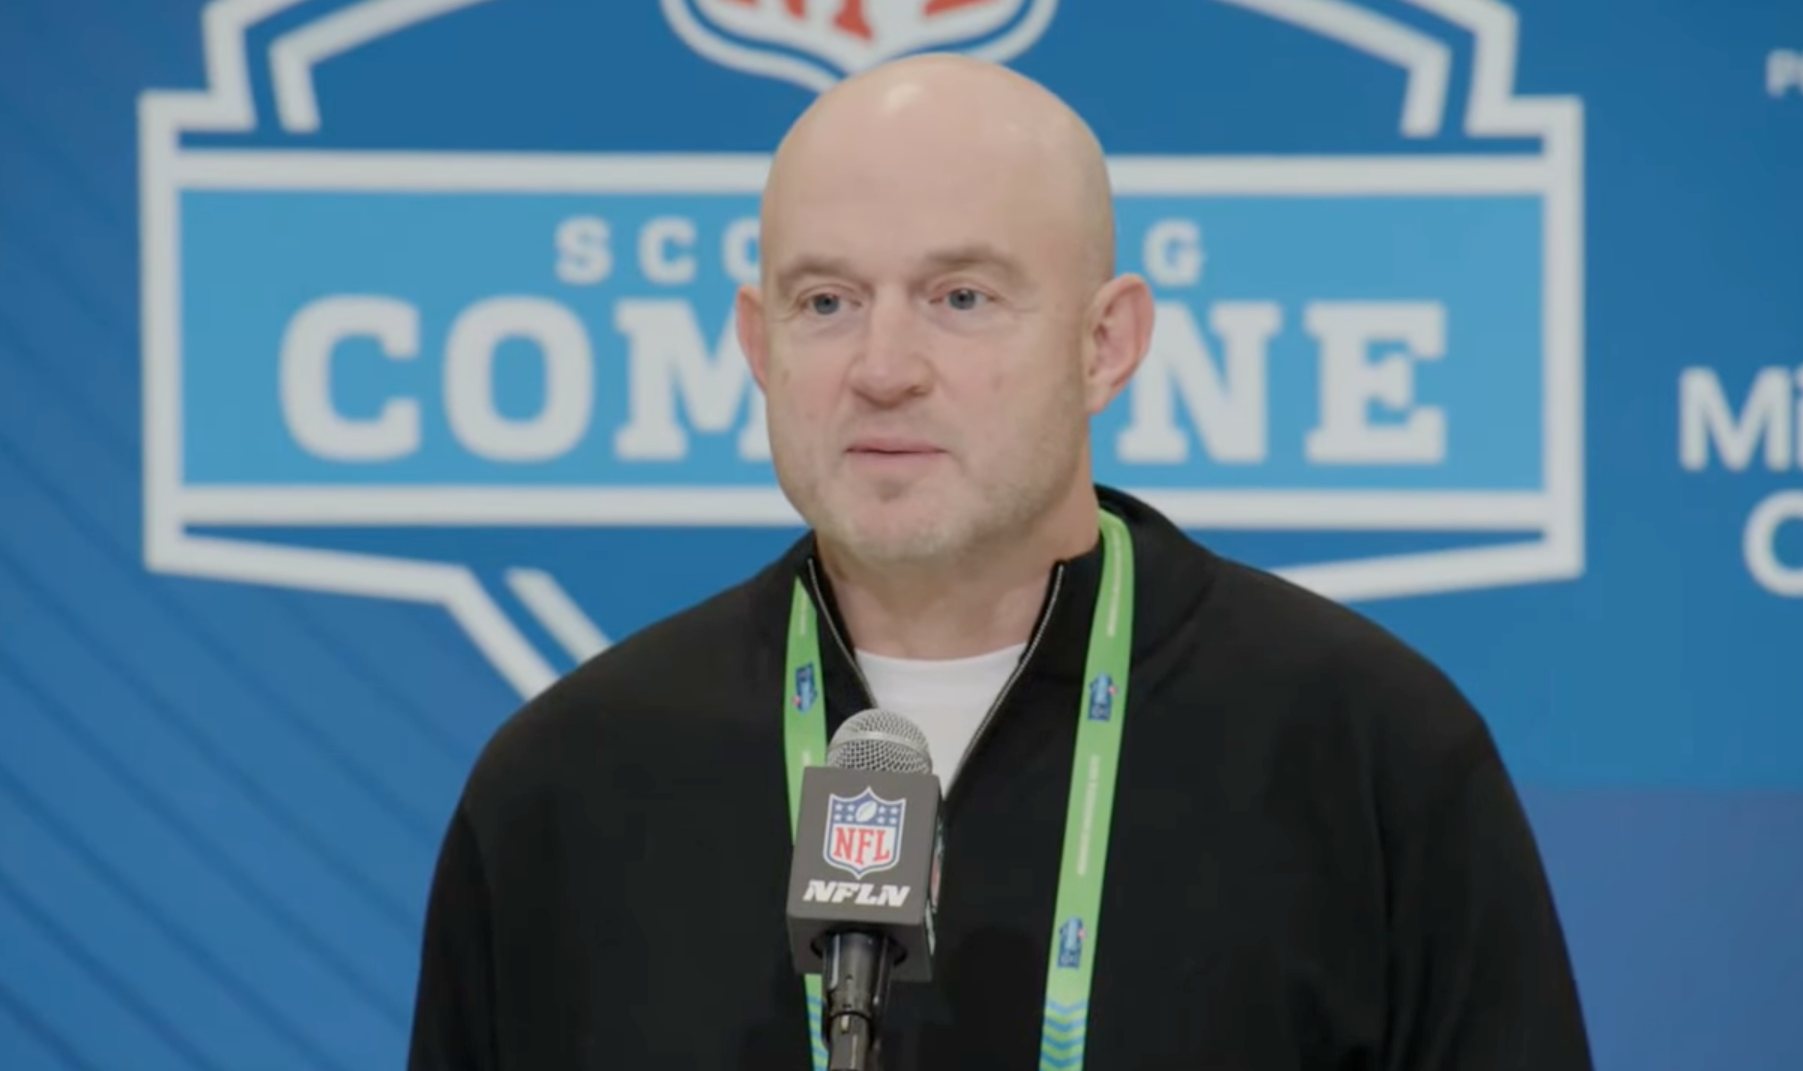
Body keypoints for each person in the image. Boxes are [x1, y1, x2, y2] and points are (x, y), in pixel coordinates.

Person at [406, 54, 1593, 1071]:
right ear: (757, 346)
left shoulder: (1367, 750)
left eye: (960, 296)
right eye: (825, 301)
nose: (883, 366)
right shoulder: (570, 783)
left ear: (1105, 343)